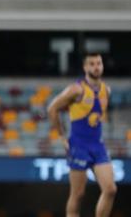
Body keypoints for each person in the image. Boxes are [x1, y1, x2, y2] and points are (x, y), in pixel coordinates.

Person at [47, 53, 117, 217]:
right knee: (78, 195)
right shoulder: (76, 89)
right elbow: (52, 109)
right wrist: (62, 136)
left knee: (110, 189)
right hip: (79, 146)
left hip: (98, 146)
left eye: (99, 63)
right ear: (85, 67)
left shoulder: (106, 90)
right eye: (92, 64)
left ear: (103, 66)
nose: (96, 67)